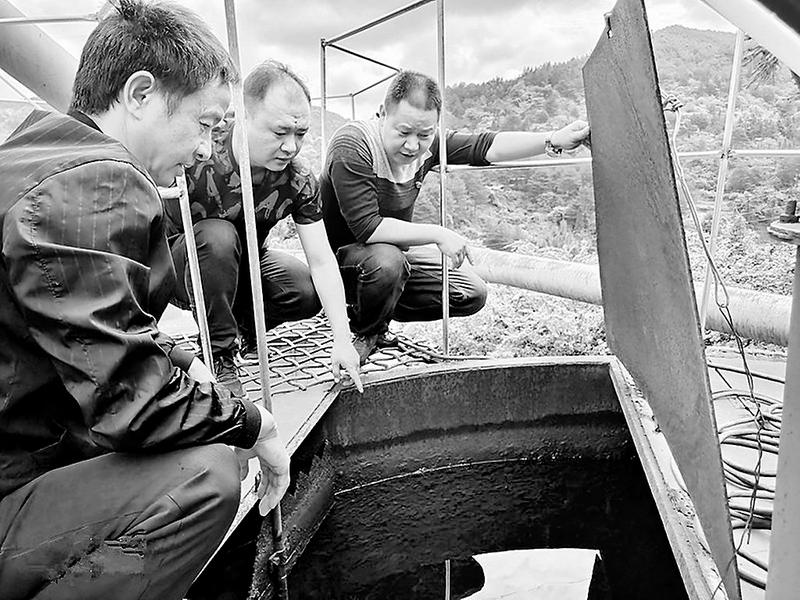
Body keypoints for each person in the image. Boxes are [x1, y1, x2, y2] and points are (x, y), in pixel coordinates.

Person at [0, 2, 289, 599]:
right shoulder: (97, 180)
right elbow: (130, 403)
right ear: (140, 94)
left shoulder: (34, 155)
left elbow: (82, 326)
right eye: (205, 124)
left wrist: (181, 359)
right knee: (204, 477)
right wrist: (255, 425)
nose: (207, 149)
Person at [321, 70, 590, 361]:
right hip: (341, 263)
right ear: (382, 113)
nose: (412, 145)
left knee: (470, 292)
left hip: (390, 259)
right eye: (403, 132)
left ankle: (375, 306)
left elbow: (484, 146)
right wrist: (439, 233)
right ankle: (367, 331)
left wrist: (553, 139)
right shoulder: (354, 145)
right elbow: (367, 227)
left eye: (424, 135)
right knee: (387, 262)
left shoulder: (428, 145)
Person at [167, 60, 362, 397]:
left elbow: (321, 260)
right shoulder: (201, 150)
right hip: (180, 267)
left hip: (246, 266)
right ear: (243, 117)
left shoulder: (297, 179)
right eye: (279, 133)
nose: (291, 146)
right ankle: (219, 355)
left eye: (300, 134)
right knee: (217, 235)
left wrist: (342, 340)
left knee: (305, 289)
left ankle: (241, 330)